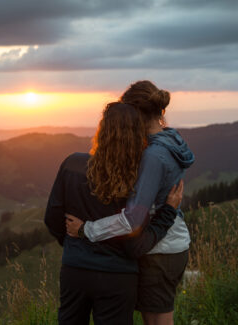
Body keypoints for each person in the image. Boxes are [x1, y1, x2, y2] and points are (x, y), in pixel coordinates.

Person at [66, 81, 195, 325]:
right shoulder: (171, 140)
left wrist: (86, 229)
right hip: (174, 243)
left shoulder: (153, 156)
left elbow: (133, 220)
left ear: (137, 113)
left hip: (159, 251)